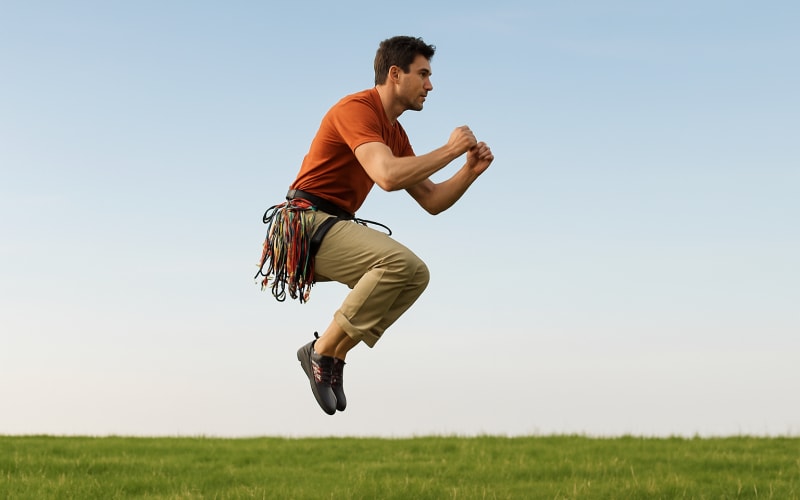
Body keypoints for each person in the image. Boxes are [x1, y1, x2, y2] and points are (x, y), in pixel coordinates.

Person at [256, 35, 494, 415]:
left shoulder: (395, 133)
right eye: (424, 74)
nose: (430, 85)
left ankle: (332, 356)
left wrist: (468, 171)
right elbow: (385, 174)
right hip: (303, 225)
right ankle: (317, 351)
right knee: (397, 264)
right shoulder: (357, 109)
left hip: (331, 226)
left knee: (415, 274)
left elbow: (431, 200)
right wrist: (449, 150)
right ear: (395, 74)